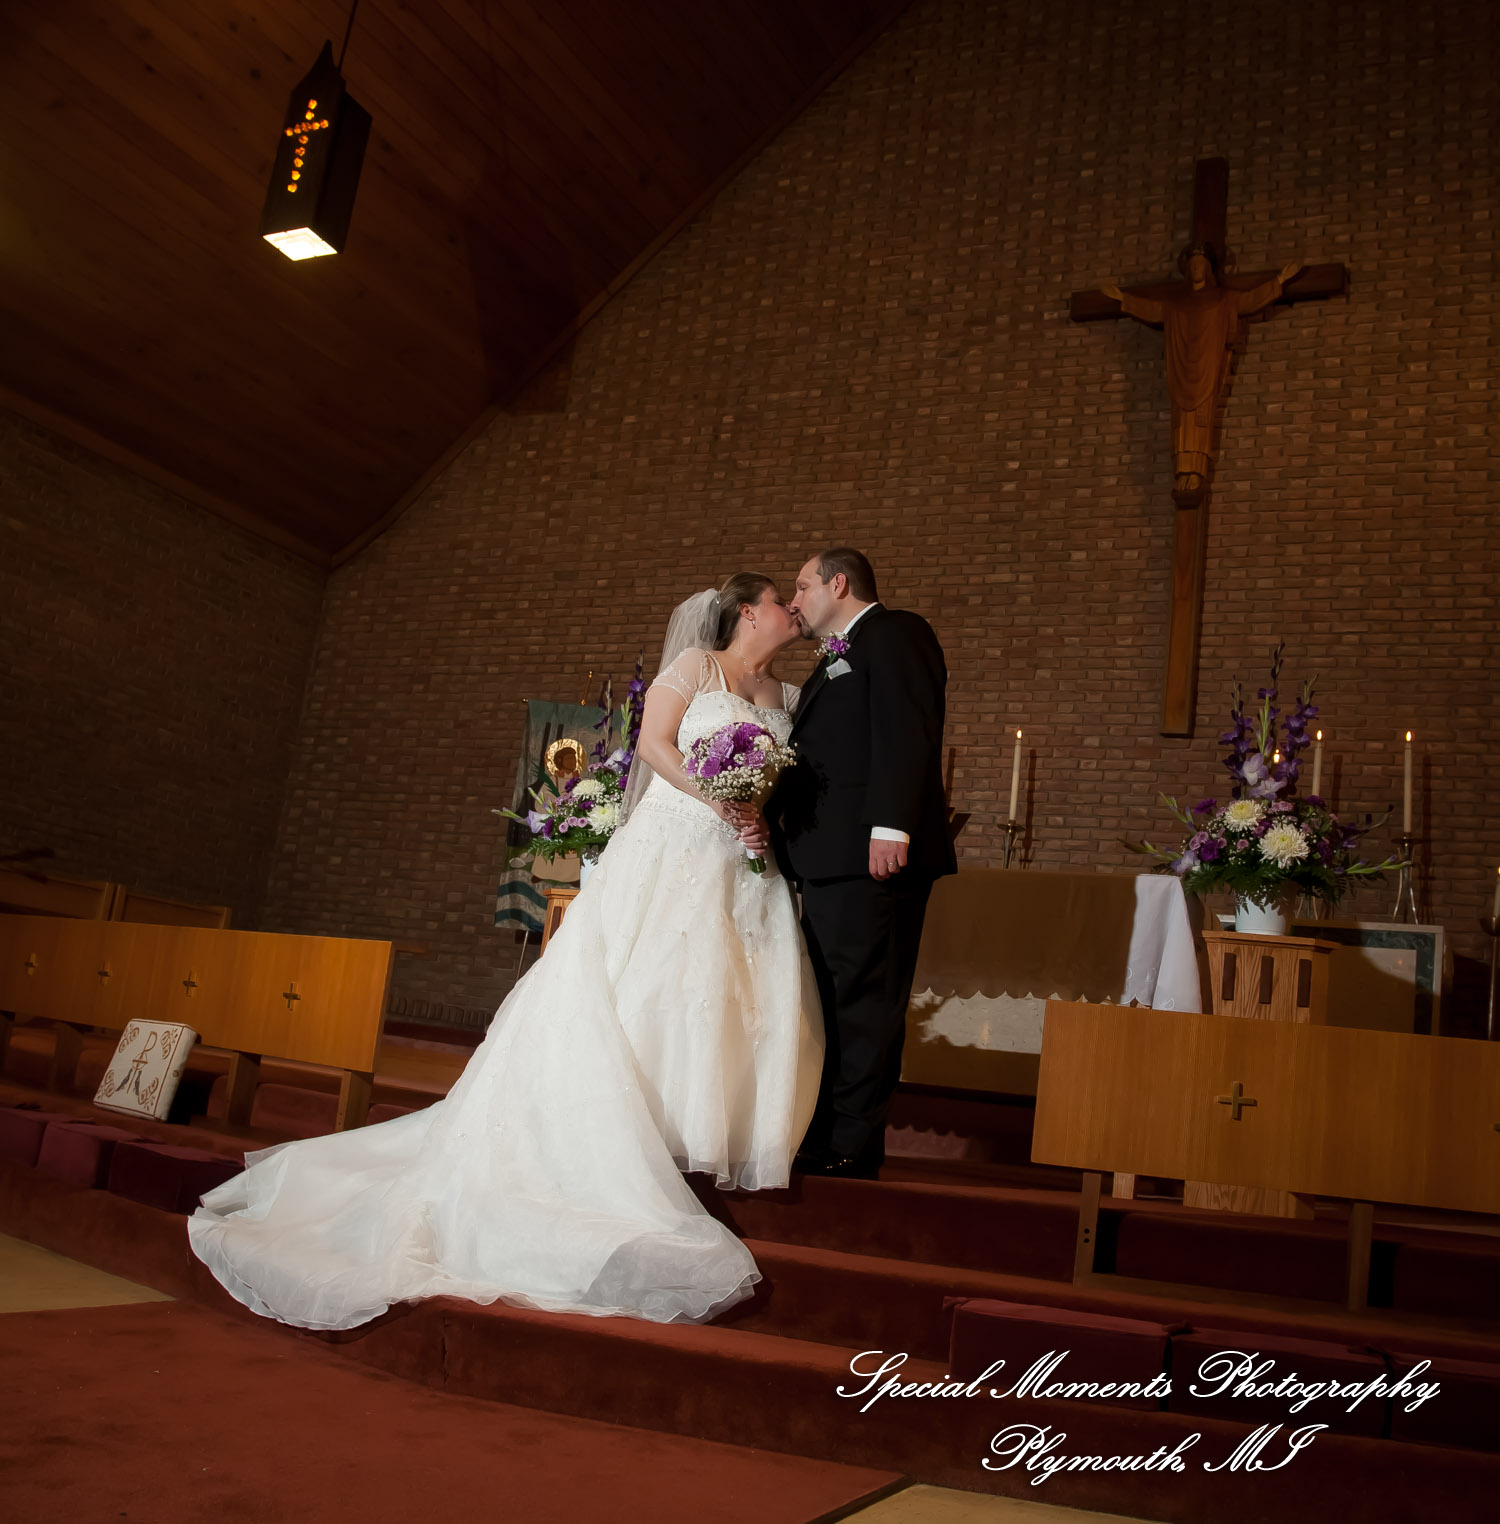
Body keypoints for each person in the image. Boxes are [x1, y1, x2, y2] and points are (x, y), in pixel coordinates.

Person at [186, 573, 823, 1332]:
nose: (793, 607)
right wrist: (715, 796)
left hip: (737, 856)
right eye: (781, 598)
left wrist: (753, 815)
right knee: (647, 981)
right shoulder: (696, 667)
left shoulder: (785, 696)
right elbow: (654, 744)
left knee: (724, 990)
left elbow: (772, 779)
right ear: (748, 611)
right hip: (672, 843)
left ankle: (697, 1128)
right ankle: (615, 1132)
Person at [758, 547, 956, 1180]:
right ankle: (824, 1133)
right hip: (829, 858)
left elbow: (908, 728)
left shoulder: (896, 632)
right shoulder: (834, 657)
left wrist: (891, 825)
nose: (794, 600)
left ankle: (851, 1144)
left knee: (865, 1003)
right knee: (831, 1000)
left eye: (802, 586)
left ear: (838, 584)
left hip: (872, 855)